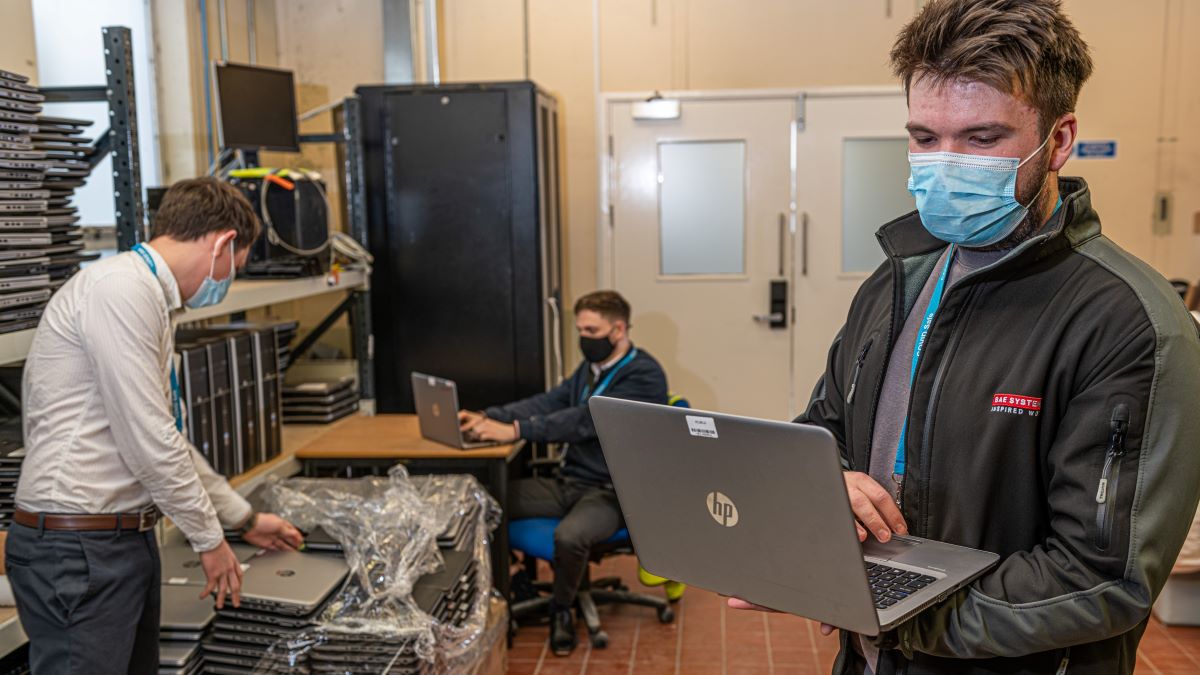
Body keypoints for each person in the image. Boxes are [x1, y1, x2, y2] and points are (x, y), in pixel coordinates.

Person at [727, 1, 1200, 673]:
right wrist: (825, 489)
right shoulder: (894, 282)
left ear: (1059, 140)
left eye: (981, 139)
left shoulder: (1128, 324)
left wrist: (889, 608)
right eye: (924, 137)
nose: (944, 163)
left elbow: (1100, 578)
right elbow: (822, 431)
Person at [7, 177, 305, 674]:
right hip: (78, 549)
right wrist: (209, 540)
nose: (229, 280)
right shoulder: (120, 291)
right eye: (238, 267)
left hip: (117, 543)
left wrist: (243, 520)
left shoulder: (148, 298)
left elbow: (167, 441)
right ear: (224, 243)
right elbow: (149, 439)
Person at [459, 290, 669, 656]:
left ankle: (561, 612)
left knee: (570, 537)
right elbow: (550, 402)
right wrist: (490, 416)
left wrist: (517, 431)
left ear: (618, 330)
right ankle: (507, 587)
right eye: (580, 330)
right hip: (569, 481)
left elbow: (584, 422)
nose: (584, 338)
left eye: (592, 330)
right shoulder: (590, 370)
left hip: (612, 491)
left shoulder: (644, 375)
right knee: (482, 502)